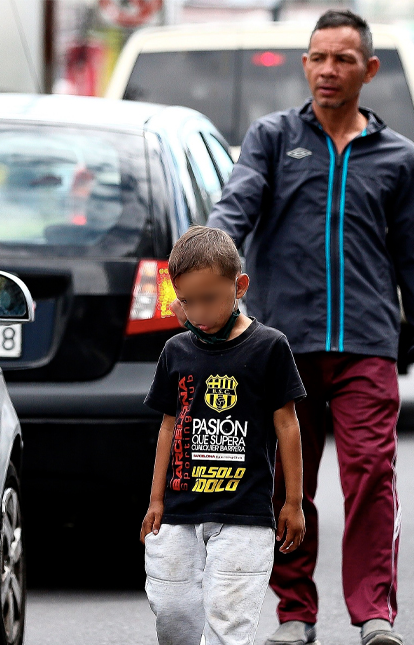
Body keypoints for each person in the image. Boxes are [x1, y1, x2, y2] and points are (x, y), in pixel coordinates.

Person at [187, 9, 414, 645]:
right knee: (287, 483)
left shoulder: (397, 158)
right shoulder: (274, 138)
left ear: (368, 69)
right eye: (318, 58)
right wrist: (207, 261)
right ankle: (295, 614)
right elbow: (238, 202)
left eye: (342, 59)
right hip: (284, 348)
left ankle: (373, 614)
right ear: (305, 64)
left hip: (365, 341)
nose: (328, 70)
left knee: (370, 475)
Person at [140, 226, 308, 645]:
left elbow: (287, 424)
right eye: (187, 301)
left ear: (239, 286)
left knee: (229, 623)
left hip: (245, 515)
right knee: (172, 609)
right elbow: (168, 425)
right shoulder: (176, 351)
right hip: (179, 510)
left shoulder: (270, 347)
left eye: (210, 298)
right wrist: (156, 499)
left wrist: (292, 501)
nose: (198, 312)